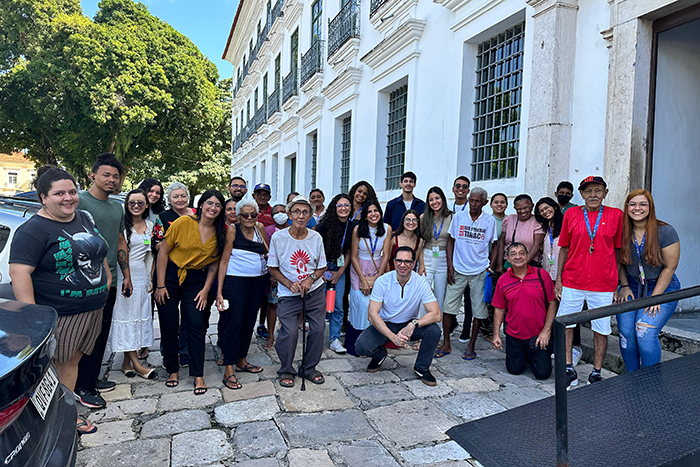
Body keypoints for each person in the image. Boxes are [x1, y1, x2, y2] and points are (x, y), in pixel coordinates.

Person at [10, 166, 110, 435]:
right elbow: (19, 273)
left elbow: (98, 251)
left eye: (72, 192)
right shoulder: (33, 230)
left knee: (71, 363)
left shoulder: (83, 217)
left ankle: (66, 413)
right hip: (61, 315)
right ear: (43, 197)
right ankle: (56, 421)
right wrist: (34, 318)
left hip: (92, 309)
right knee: (53, 369)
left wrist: (107, 279)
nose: (68, 198)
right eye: (59, 193)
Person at [155, 190, 226, 395]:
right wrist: (160, 285)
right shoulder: (184, 222)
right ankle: (172, 370)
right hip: (170, 275)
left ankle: (198, 374)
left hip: (195, 280)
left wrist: (205, 290)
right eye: (209, 203)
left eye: (218, 205)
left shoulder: (220, 232)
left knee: (196, 324)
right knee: (169, 324)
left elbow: (214, 263)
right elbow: (163, 252)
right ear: (201, 205)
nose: (213, 208)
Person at [555, 176, 623, 388]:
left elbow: (618, 251)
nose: (593, 195)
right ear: (582, 194)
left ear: (605, 193)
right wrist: (559, 280)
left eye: (598, 190)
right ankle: (568, 368)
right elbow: (564, 249)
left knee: (601, 329)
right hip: (572, 281)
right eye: (588, 191)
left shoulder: (616, 215)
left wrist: (617, 284)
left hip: (603, 284)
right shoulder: (571, 214)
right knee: (566, 325)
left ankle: (596, 372)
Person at [74, 153, 131, 409]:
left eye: (116, 176)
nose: (112, 180)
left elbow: (119, 240)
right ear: (93, 175)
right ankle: (81, 387)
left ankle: (92, 378)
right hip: (86, 281)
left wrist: (126, 275)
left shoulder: (116, 207)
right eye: (106, 175)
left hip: (111, 280)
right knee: (84, 335)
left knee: (101, 332)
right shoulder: (79, 202)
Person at [355, 247, 442, 386]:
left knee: (434, 330)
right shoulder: (382, 281)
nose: (402, 265)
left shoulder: (420, 282)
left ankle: (422, 368)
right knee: (361, 347)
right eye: (399, 261)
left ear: (413, 264)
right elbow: (372, 315)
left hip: (408, 324)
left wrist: (413, 325)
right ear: (394, 262)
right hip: (386, 324)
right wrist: (393, 337)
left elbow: (436, 314)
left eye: (407, 262)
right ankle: (380, 355)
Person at [616, 189, 680, 371]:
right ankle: (632, 377)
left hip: (661, 287)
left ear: (650, 207)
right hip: (631, 285)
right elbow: (619, 262)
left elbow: (670, 268)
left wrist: (655, 297)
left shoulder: (665, 231)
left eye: (643, 204)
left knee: (644, 332)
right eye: (632, 204)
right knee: (626, 333)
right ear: (627, 207)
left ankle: (651, 382)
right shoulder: (621, 231)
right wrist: (624, 285)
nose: (637, 208)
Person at [267, 195, 328, 388]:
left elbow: (322, 266)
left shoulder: (316, 237)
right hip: (288, 293)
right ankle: (286, 369)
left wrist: (311, 279)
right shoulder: (278, 237)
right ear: (289, 214)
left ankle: (308, 368)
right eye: (296, 212)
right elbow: (272, 267)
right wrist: (288, 283)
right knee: (290, 332)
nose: (301, 216)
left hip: (314, 290)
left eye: (305, 212)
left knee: (318, 329)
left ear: (310, 215)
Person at [439, 187, 498, 360]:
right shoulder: (459, 217)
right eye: (471, 200)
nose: (473, 204)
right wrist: (450, 266)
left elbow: (495, 244)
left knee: (478, 310)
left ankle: (471, 345)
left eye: (477, 201)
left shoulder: (489, 220)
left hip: (479, 271)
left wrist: (491, 266)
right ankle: (446, 343)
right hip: (458, 269)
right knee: (448, 307)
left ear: (485, 202)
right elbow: (450, 241)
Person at [216, 199, 269, 390]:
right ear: (238, 216)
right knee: (234, 322)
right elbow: (224, 260)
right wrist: (219, 291)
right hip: (235, 281)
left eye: (253, 214)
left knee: (249, 320)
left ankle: (242, 359)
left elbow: (266, 251)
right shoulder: (233, 229)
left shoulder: (259, 228)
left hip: (258, 281)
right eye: (245, 215)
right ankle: (229, 368)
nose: (249, 218)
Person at [491, 243, 557, 380]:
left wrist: (546, 331)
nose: (518, 257)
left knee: (543, 374)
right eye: (513, 254)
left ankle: (535, 355)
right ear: (508, 259)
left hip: (538, 336)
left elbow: (553, 303)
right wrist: (496, 335)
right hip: (514, 336)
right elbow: (499, 308)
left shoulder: (541, 275)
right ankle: (525, 356)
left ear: (527, 256)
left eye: (521, 253)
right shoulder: (503, 280)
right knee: (514, 370)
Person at [112, 189, 157, 380]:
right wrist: (126, 277)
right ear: (127, 205)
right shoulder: (122, 225)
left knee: (138, 317)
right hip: (125, 276)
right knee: (127, 317)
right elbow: (119, 252)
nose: (136, 206)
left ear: (146, 205)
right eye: (132, 203)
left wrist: (151, 279)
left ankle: (126, 363)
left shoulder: (150, 225)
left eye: (140, 202)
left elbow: (151, 255)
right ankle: (137, 365)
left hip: (142, 276)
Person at [152, 182, 196, 368]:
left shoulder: (196, 215)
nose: (180, 199)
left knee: (189, 315)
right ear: (169, 200)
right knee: (169, 318)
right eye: (175, 196)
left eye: (183, 196)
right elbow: (156, 243)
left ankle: (184, 349)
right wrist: (173, 245)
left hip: (192, 273)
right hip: (169, 271)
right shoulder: (163, 217)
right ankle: (168, 352)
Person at [535, 197, 583, 366]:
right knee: (552, 309)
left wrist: (561, 278)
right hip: (548, 274)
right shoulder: (546, 227)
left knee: (569, 309)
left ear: (554, 207)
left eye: (547, 208)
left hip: (564, 275)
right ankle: (557, 346)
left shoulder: (566, 225)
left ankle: (575, 348)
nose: (545, 212)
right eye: (541, 210)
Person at [347, 200, 393, 355]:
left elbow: (386, 255)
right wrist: (362, 279)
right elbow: (353, 256)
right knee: (361, 305)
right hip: (359, 269)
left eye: (376, 211)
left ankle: (373, 343)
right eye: (369, 212)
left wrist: (379, 278)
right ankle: (356, 344)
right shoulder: (358, 229)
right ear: (365, 216)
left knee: (375, 305)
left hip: (378, 268)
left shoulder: (387, 229)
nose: (373, 214)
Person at [316, 194, 355, 354]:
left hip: (340, 267)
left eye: (346, 205)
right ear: (334, 207)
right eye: (340, 205)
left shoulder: (353, 226)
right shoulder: (325, 224)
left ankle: (334, 339)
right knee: (320, 305)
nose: (343, 208)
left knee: (338, 305)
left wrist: (339, 273)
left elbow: (349, 251)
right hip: (322, 267)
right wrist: (320, 270)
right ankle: (316, 338)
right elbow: (315, 246)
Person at [420, 187, 452, 322]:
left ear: (442, 199)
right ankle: (420, 325)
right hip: (427, 256)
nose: (434, 202)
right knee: (423, 292)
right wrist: (421, 264)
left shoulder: (452, 217)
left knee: (440, 295)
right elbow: (419, 242)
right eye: (431, 199)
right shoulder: (423, 217)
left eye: (437, 198)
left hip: (444, 258)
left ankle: (438, 328)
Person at [452, 176, 474, 343]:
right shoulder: (447, 208)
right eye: (458, 186)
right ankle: (452, 323)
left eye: (464, 186)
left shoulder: (472, 210)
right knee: (452, 295)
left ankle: (466, 328)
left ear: (468, 190)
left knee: (469, 298)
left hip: (469, 259)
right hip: (452, 258)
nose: (461, 189)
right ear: (453, 189)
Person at [497, 194, 544, 269]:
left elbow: (537, 244)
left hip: (530, 263)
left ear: (532, 206)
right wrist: (499, 264)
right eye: (519, 209)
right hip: (508, 263)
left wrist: (522, 265)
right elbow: (502, 241)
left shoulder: (537, 222)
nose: (523, 211)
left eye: (526, 208)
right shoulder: (509, 219)